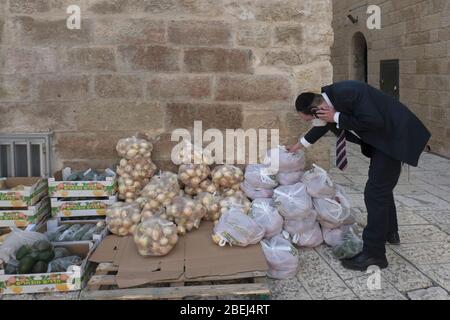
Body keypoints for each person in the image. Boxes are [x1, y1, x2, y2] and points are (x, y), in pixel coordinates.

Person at [289, 80, 431, 271]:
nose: (313, 122)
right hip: (384, 141)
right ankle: (390, 232)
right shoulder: (330, 102)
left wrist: (336, 116)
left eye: (310, 119)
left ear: (318, 109)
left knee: (374, 193)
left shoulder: (348, 93)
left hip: (395, 138)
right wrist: (300, 145)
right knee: (381, 187)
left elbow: (373, 121)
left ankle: (374, 254)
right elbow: (324, 124)